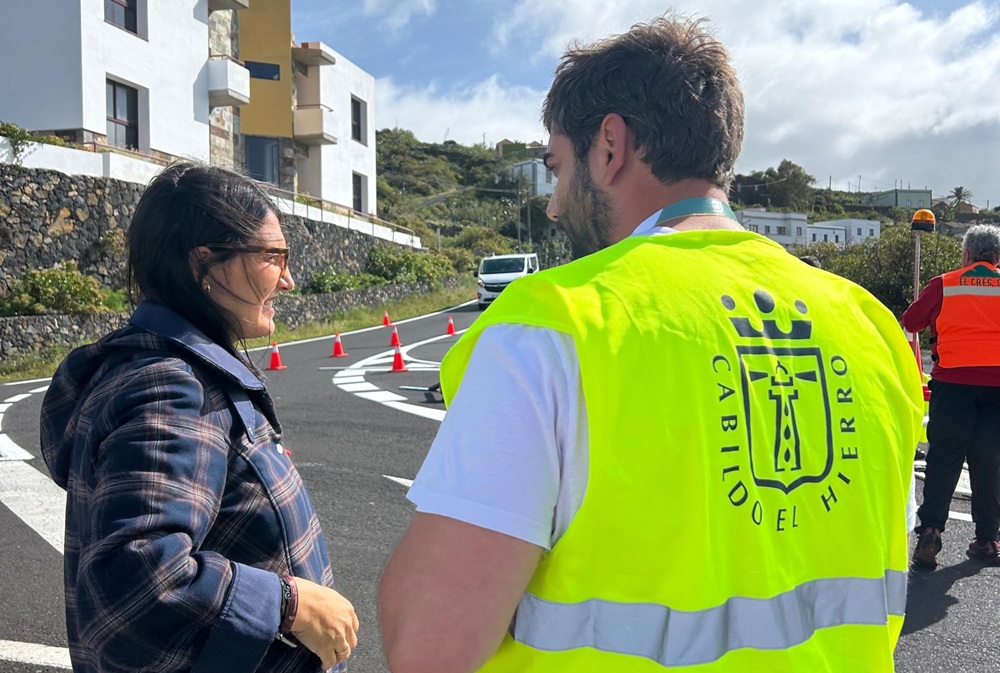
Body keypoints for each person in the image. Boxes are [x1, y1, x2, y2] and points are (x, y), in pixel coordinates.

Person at [378, 15, 924, 673]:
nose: (554, 205)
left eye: (556, 168)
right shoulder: (869, 327)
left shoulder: (557, 323)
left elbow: (430, 644)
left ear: (609, 144)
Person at [39, 162, 359, 673]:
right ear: (203, 265)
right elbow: (137, 580)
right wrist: (288, 602)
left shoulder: (160, 370)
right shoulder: (174, 388)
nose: (289, 279)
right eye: (273, 256)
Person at [903, 224, 1000, 570]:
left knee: (943, 460)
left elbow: (911, 322)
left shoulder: (945, 283)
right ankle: (988, 540)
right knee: (989, 464)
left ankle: (931, 532)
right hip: (997, 389)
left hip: (953, 385)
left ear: (967, 255)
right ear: (997, 257)